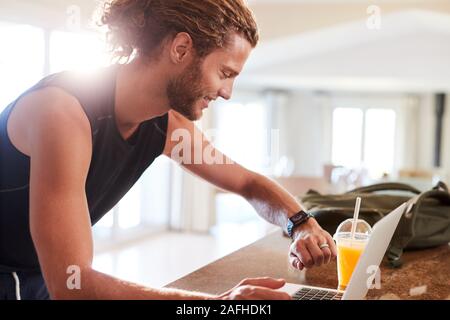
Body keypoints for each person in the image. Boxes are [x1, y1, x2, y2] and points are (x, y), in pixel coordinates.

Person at [0, 0, 336, 300]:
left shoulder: (166, 125)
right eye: (224, 73)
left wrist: (300, 223)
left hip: (39, 276)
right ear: (181, 48)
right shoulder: (62, 114)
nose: (227, 92)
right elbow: (71, 284)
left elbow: (246, 182)